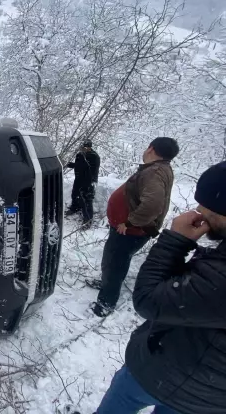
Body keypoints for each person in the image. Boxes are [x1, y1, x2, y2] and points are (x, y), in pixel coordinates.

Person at [96, 161, 226, 414]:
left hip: (172, 377)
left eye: (208, 204)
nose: (199, 209)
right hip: (206, 392)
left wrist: (174, 241)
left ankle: (106, 301)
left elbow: (148, 298)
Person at [88, 138, 179, 317]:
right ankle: (107, 284)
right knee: (113, 260)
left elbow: (153, 205)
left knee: (115, 263)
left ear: (151, 148)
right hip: (131, 230)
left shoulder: (153, 172)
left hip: (131, 231)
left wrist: (129, 222)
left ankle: (106, 302)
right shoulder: (161, 169)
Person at [65, 140, 100, 227]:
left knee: (87, 200)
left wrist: (76, 163)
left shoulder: (94, 156)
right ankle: (74, 208)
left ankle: (88, 220)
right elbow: (79, 164)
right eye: (83, 147)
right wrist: (70, 164)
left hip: (89, 180)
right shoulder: (80, 155)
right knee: (75, 194)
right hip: (79, 178)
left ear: (90, 147)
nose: (84, 148)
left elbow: (86, 166)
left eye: (86, 147)